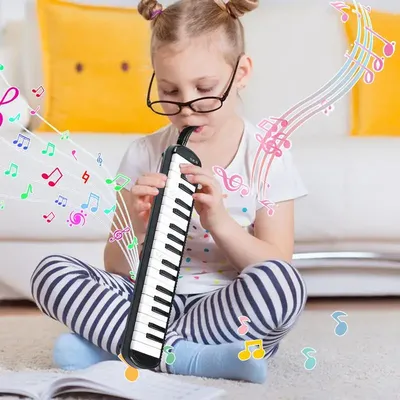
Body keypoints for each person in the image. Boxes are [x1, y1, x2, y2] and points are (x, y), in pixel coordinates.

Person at [30, 0, 308, 384]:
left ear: (241, 73)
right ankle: (191, 358)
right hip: (143, 298)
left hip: (223, 305)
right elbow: (115, 263)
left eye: (205, 89)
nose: (187, 109)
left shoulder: (267, 156)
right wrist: (141, 231)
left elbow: (277, 261)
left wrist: (221, 224)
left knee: (284, 287)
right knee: (51, 272)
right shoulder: (143, 153)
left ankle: (114, 345)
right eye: (169, 91)